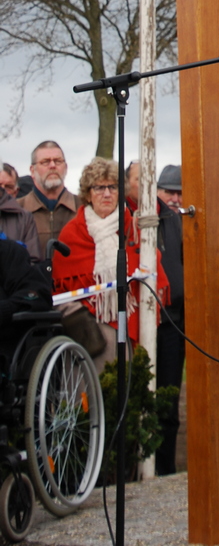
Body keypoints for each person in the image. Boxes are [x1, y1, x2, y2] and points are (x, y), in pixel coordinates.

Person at [52, 157, 169, 372]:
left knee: (132, 390)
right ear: (88, 193)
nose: (106, 194)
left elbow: (154, 273)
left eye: (113, 187)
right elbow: (62, 287)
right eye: (99, 187)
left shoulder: (135, 228)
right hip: (90, 332)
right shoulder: (72, 233)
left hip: (133, 322)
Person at [126, 160, 186, 475]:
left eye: (179, 192)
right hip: (133, 320)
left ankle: (164, 470)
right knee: (132, 397)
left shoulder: (176, 221)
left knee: (168, 399)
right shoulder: (125, 218)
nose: (173, 198)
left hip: (171, 321)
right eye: (168, 191)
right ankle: (128, 470)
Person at [20, 140, 79, 261]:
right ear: (32, 170)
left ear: (66, 167)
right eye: (45, 162)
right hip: (31, 279)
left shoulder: (83, 207)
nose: (52, 166)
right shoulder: (18, 210)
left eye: (58, 161)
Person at [0, 174, 40, 261]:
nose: (2, 189)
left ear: (16, 191)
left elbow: (33, 260)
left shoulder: (25, 218)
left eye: (8, 187)